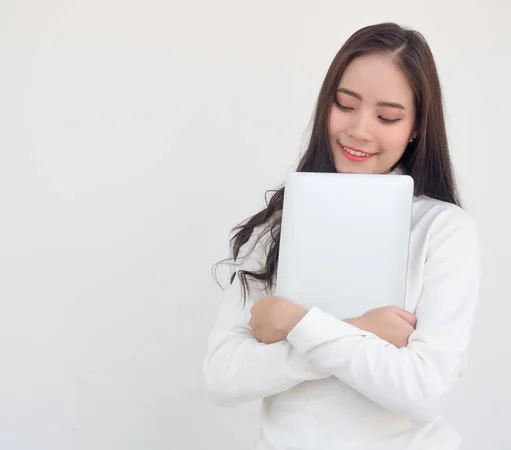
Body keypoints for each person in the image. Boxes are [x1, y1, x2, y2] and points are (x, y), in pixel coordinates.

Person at [202, 22, 481, 450]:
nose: (359, 130)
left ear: (416, 128)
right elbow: (223, 376)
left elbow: (424, 391)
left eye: (387, 116)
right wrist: (361, 329)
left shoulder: (443, 231)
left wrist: (295, 322)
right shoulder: (280, 224)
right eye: (345, 105)